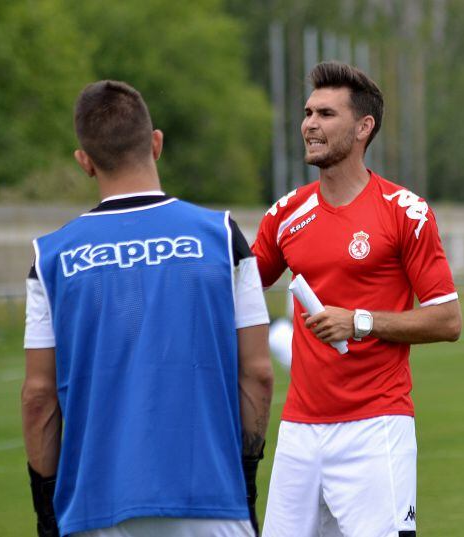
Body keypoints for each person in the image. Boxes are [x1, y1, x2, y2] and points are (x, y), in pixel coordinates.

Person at [20, 80, 273, 537]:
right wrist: (247, 483)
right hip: (212, 498)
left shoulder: (51, 257)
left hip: (93, 507)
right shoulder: (222, 236)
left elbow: (39, 398)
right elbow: (257, 374)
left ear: (85, 162)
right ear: (156, 143)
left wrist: (46, 513)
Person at [252, 61, 462, 537]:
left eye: (326, 113)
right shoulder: (285, 214)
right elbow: (239, 290)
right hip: (299, 431)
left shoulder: (405, 212)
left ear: (364, 127)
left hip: (376, 427)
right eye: (308, 113)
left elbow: (448, 320)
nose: (310, 124)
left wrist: (360, 322)